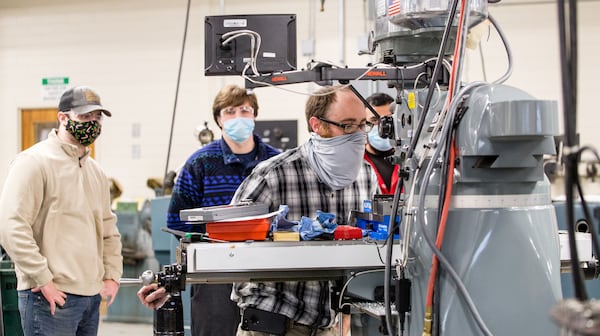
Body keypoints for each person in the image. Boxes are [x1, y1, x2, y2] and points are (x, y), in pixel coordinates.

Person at [138, 84, 378, 335]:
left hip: (330, 325)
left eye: (363, 125)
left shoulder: (365, 177)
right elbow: (218, 240)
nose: (359, 135)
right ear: (317, 125)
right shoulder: (272, 174)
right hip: (274, 320)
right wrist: (170, 284)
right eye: (348, 125)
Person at [0, 86, 123, 336]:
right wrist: (42, 279)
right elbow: (11, 226)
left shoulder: (95, 172)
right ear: (63, 118)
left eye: (97, 118)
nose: (92, 124)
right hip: (50, 298)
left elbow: (109, 230)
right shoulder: (33, 162)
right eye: (85, 117)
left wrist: (112, 275)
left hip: (90, 297)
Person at [164, 84, 280, 336]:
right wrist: (209, 251)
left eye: (245, 110)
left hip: (268, 273)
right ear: (219, 119)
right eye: (230, 111)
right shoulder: (199, 163)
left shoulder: (276, 162)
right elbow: (176, 220)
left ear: (254, 115)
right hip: (214, 275)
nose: (238, 117)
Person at [364, 92, 400, 195]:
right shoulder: (356, 163)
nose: (382, 126)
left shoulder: (409, 160)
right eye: (375, 120)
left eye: (388, 119)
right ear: (364, 124)